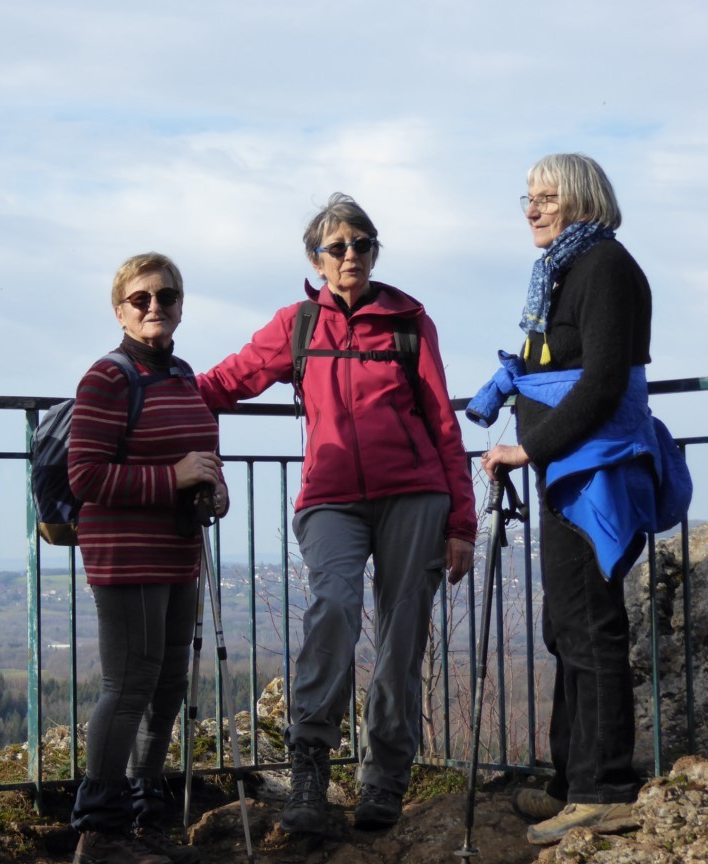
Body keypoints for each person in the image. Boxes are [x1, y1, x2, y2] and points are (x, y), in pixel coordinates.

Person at [197, 193, 475, 835]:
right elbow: (221, 383)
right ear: (316, 259)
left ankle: (384, 782)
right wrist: (150, 397)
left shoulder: (410, 322)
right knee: (334, 609)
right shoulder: (298, 324)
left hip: (415, 493)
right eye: (338, 247)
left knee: (403, 636)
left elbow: (441, 422)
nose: (351, 255)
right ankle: (311, 772)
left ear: (375, 252)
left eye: (362, 245)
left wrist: (461, 523)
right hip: (330, 497)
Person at [476, 154, 660, 846]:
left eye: (547, 196)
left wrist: (528, 447)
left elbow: (605, 378)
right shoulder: (564, 269)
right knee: (565, 626)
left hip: (596, 475)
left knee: (590, 626)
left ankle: (605, 791)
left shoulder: (605, 267)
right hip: (571, 475)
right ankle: (569, 780)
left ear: (582, 199)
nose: (532, 207)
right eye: (526, 196)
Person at [68, 253, 227, 864]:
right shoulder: (107, 378)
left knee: (166, 690)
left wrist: (212, 486)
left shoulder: (184, 375)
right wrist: (173, 476)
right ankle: (99, 831)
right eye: (141, 298)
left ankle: (144, 819)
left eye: (167, 296)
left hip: (178, 551)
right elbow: (85, 476)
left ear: (181, 305)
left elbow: (200, 455)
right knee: (128, 687)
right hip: (127, 557)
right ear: (120, 311)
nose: (155, 306)